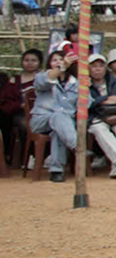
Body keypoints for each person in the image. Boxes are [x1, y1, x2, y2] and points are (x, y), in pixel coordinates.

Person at [29, 50, 80, 182]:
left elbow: (87, 103)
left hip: (65, 125)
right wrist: (61, 67)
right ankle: (78, 146)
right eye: (54, 60)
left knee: (58, 130)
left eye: (61, 60)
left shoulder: (76, 83)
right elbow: (48, 80)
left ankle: (57, 171)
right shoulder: (41, 77)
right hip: (41, 121)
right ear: (49, 63)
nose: (58, 62)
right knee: (58, 115)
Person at [86, 52, 116, 178]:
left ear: (105, 68)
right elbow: (84, 104)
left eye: (100, 66)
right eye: (94, 66)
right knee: (100, 129)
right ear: (88, 69)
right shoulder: (84, 84)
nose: (98, 69)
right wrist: (104, 99)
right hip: (97, 115)